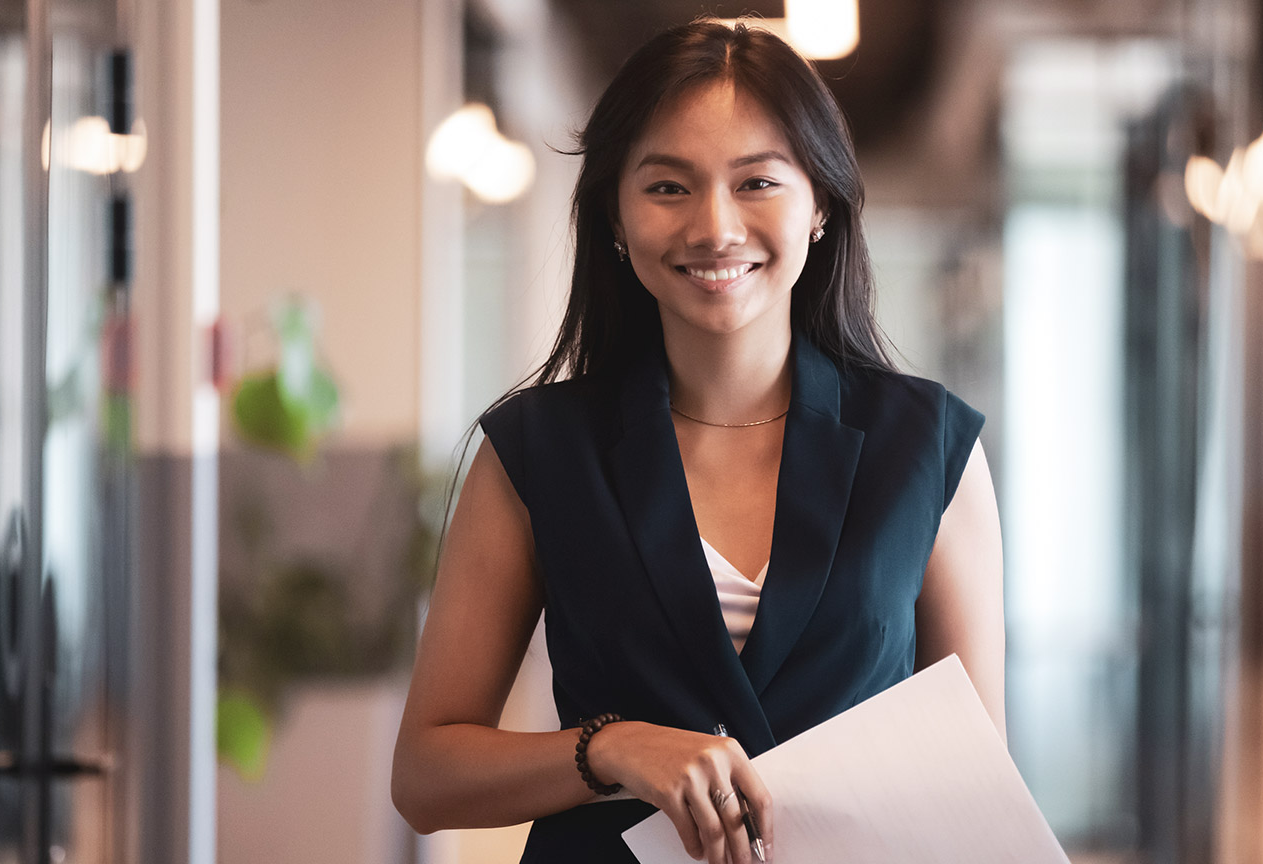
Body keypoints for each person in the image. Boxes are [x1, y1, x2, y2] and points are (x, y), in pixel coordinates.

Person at [391, 18, 1004, 864]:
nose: (715, 227)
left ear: (819, 203)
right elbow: (425, 776)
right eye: (668, 187)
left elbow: (976, 785)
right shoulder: (535, 451)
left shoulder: (928, 449)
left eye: (757, 182)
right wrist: (606, 750)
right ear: (614, 214)